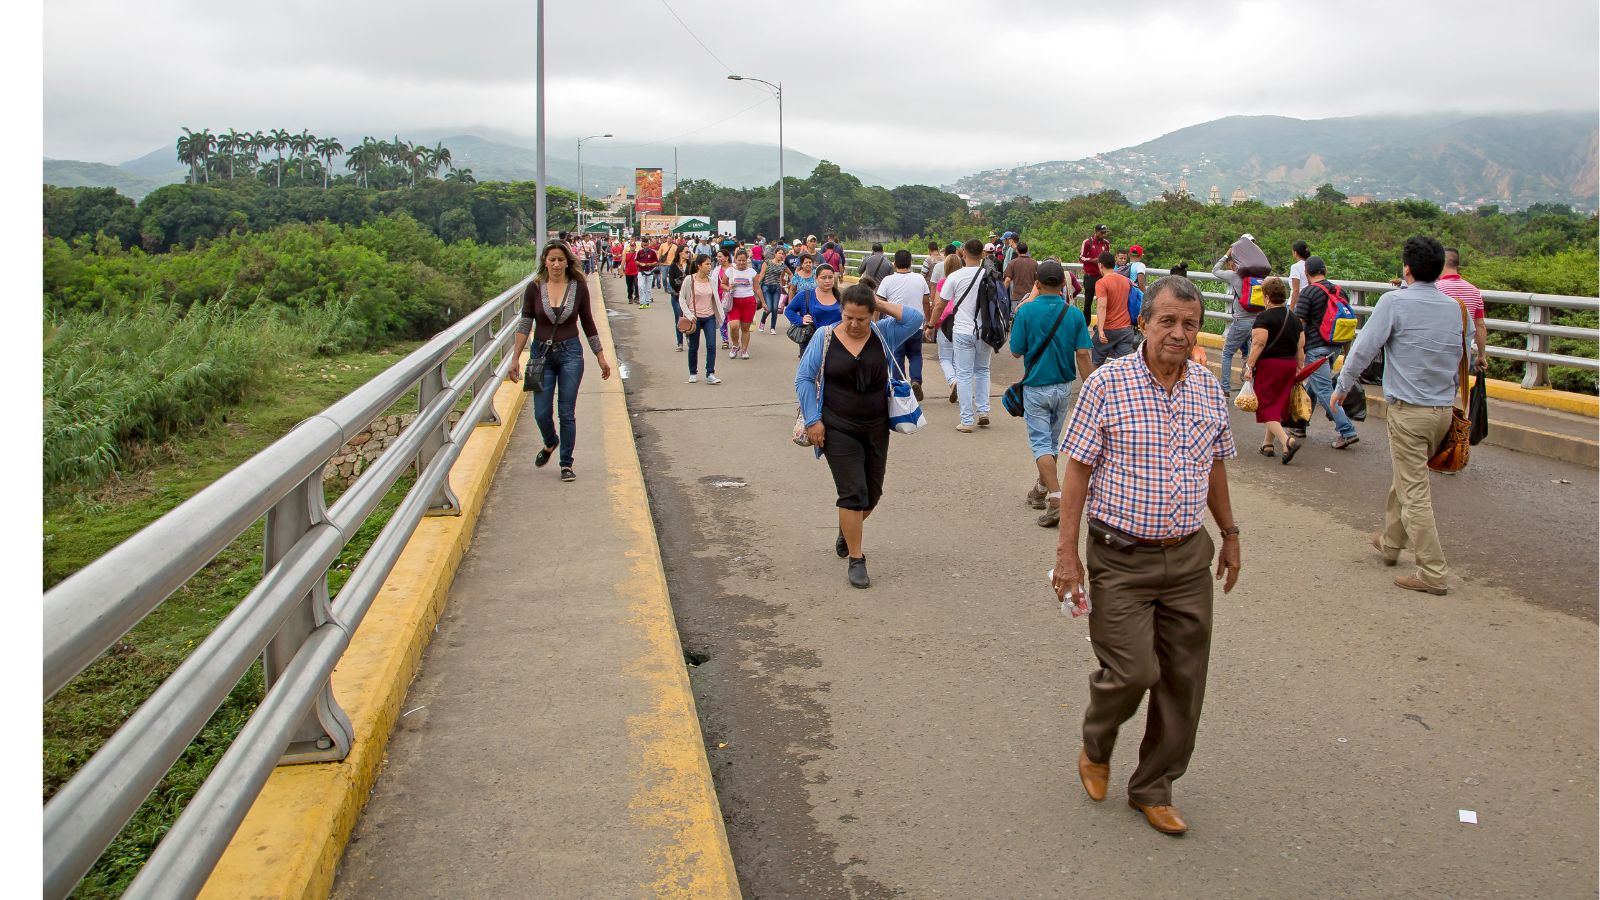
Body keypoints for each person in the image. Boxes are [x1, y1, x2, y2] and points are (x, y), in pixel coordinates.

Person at [1051, 274, 1241, 837]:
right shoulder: (1107, 385)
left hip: (1187, 558)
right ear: (1143, 324)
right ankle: (1097, 741)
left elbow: (1216, 465)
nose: (1179, 334)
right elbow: (1078, 470)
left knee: (1184, 678)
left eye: (1190, 324)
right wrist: (1067, 556)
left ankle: (1153, 786)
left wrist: (1229, 534)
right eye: (1167, 321)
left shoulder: (1208, 389)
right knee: (1134, 670)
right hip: (1119, 557)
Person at [1333, 236, 1466, 596]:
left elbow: (1363, 348)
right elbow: (1459, 356)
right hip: (1442, 411)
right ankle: (1391, 543)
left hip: (1409, 410)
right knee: (1407, 477)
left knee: (1414, 490)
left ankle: (1433, 573)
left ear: (1406, 269)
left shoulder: (1394, 301)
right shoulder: (1453, 307)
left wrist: (1342, 385)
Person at [794, 282, 925, 589]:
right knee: (853, 492)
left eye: (861, 318)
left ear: (872, 316)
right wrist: (814, 420)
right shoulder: (824, 338)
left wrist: (878, 304)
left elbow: (915, 319)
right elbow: (803, 378)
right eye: (848, 317)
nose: (853, 324)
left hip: (876, 426)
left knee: (873, 494)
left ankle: (847, 527)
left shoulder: (884, 334)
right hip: (835, 426)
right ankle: (857, 558)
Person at [508, 241, 614, 482]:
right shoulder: (534, 288)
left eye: (560, 260)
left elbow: (588, 322)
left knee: (566, 411)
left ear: (568, 262)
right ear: (545, 261)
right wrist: (515, 357)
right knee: (541, 412)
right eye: (552, 259)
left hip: (570, 354)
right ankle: (550, 441)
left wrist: (600, 355)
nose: (556, 264)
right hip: (540, 355)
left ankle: (566, 463)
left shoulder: (578, 287)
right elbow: (525, 323)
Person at [1009, 260, 1092, 527]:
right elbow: (1082, 354)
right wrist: (1092, 390)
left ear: (1037, 283)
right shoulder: (1074, 314)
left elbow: (1016, 351)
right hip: (1063, 388)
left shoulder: (1026, 312)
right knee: (1052, 444)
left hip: (1036, 386)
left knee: (1041, 444)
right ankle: (1041, 490)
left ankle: (1057, 497)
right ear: (1062, 286)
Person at [1292, 256, 1361, 449]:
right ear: (1325, 271)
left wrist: (1296, 350)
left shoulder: (1308, 292)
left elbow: (1299, 324)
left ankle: (1346, 431)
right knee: (1314, 387)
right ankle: (1300, 425)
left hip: (1315, 348)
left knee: (1323, 390)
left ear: (1306, 274)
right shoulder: (1339, 291)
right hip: (1335, 346)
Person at [1239, 277, 1306, 462]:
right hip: (1289, 366)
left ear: (1267, 297)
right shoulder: (1294, 318)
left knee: (1264, 406)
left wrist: (1249, 366)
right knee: (1275, 404)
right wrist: (1300, 368)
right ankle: (1267, 444)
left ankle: (1287, 441)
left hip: (1270, 366)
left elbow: (1259, 344)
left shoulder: (1264, 317)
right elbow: (1300, 346)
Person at [930, 239, 993, 432]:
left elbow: (940, 304)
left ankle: (967, 420)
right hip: (986, 331)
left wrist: (931, 324)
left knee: (964, 374)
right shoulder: (989, 275)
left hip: (962, 331)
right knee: (982, 370)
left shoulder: (955, 276)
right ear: (983, 254)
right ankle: (983, 411)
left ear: (963, 253)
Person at [875, 250, 931, 401]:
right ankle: (916, 381)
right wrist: (928, 321)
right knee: (915, 355)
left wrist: (875, 324)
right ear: (911, 263)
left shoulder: (887, 280)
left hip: (895, 325)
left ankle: (901, 388)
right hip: (916, 325)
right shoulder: (920, 279)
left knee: (897, 356)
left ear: (894, 263)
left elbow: (878, 303)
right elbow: (926, 302)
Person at [1437, 248, 1490, 374]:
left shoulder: (1435, 289)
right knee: (1454, 389)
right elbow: (1480, 326)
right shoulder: (1474, 291)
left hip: (1438, 351)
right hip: (1463, 352)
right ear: (1457, 264)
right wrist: (1481, 355)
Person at [678, 253, 724, 385]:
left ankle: (710, 373)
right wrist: (688, 314)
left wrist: (720, 315)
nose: (709, 267)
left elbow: (715, 299)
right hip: (694, 318)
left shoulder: (712, 281)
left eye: (710, 264)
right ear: (699, 266)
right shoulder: (689, 280)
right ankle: (693, 372)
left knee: (711, 346)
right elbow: (681, 298)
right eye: (707, 264)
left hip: (709, 317)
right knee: (694, 346)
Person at [1212, 250, 1254, 394]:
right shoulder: (1256, 275)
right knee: (1253, 353)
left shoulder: (1234, 276)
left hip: (1241, 321)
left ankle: (1224, 388)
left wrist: (1225, 255)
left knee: (1227, 353)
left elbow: (1215, 270)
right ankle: (1252, 385)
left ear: (1233, 263)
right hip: (1258, 322)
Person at [927, 252, 964, 404]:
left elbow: (938, 304)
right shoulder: (964, 281)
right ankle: (959, 387)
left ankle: (952, 381)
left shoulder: (943, 282)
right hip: (962, 321)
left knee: (945, 358)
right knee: (957, 358)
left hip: (945, 323)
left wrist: (931, 324)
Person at [1089, 251, 1137, 366]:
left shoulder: (1101, 283)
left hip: (1108, 329)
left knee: (1096, 361)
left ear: (1100, 265)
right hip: (1126, 329)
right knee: (1125, 366)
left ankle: (1097, 383)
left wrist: (1100, 330)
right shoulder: (1126, 280)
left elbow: (1102, 306)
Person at [786, 263, 844, 357]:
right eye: (823, 278)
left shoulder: (842, 298)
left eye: (830, 277)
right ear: (816, 278)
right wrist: (801, 320)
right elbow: (789, 310)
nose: (827, 281)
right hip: (811, 344)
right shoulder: (805, 295)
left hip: (836, 344)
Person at [721, 249, 761, 360]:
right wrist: (728, 288)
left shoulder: (752, 272)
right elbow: (722, 284)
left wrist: (764, 302)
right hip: (734, 302)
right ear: (735, 260)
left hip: (749, 302)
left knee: (745, 328)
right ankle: (735, 345)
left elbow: (757, 288)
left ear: (747, 260)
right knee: (734, 326)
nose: (742, 263)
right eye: (739, 260)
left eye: (744, 260)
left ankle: (744, 350)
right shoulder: (730, 271)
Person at [1079, 224, 1111, 316]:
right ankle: (1086, 323)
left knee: (1102, 301)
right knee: (1088, 301)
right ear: (1096, 232)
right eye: (1102, 233)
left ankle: (1101, 322)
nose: (1103, 235)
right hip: (1090, 276)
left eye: (1105, 233)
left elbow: (1107, 257)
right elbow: (1081, 258)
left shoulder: (1106, 243)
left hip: (1102, 276)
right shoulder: (1088, 242)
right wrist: (1093, 260)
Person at [757, 245, 788, 335]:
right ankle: (762, 321)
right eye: (779, 253)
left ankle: (772, 328)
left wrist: (791, 283)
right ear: (775, 254)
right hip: (766, 287)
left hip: (776, 288)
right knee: (769, 308)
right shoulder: (767, 262)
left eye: (783, 254)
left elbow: (790, 274)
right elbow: (762, 274)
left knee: (775, 308)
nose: (781, 255)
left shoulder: (783, 265)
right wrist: (757, 286)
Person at [1003, 241, 1039, 314]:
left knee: (1015, 320)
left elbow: (1007, 280)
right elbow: (1038, 281)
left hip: (1017, 297)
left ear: (1017, 250)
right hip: (1030, 297)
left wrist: (1002, 293)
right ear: (1027, 250)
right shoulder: (1034, 263)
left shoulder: (1012, 263)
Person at [667, 249, 691, 352]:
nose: (688, 254)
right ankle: (680, 343)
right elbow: (672, 281)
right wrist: (681, 288)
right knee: (678, 318)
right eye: (686, 252)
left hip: (689, 296)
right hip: (677, 295)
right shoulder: (673, 265)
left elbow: (694, 278)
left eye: (689, 252)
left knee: (689, 318)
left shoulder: (691, 265)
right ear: (680, 253)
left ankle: (689, 337)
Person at [635, 241, 659, 309]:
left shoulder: (653, 252)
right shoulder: (639, 252)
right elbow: (636, 261)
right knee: (641, 286)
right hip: (641, 271)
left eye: (646, 245)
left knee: (648, 288)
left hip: (650, 271)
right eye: (644, 245)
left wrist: (651, 264)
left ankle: (647, 301)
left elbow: (656, 262)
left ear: (648, 245)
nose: (645, 247)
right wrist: (639, 263)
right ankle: (642, 302)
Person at [1287, 240, 1310, 308]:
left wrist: (1291, 309)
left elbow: (1296, 290)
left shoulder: (1295, 267)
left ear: (1295, 252)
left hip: (1296, 305)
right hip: (1307, 304)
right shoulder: (1310, 265)